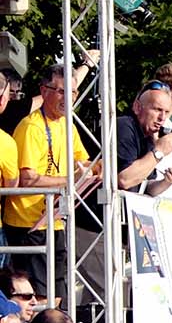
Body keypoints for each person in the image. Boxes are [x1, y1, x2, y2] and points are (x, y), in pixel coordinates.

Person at [7, 67, 110, 295]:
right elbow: (27, 179)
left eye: (73, 92)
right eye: (61, 92)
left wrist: (98, 168)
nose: (69, 99)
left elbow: (83, 161)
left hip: (55, 219)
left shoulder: (67, 125)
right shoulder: (31, 127)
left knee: (60, 291)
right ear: (44, 91)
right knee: (38, 293)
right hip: (28, 223)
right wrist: (69, 180)